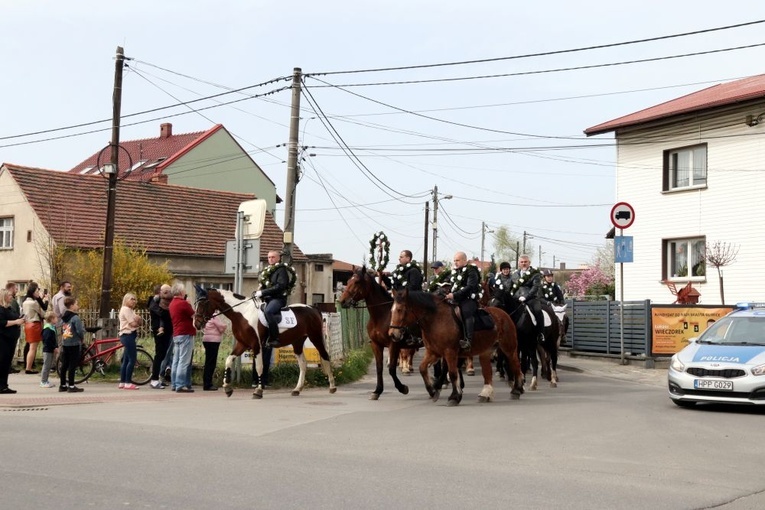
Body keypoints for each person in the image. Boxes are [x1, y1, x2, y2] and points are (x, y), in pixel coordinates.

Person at [445, 251, 481, 350]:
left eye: (457, 260)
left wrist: (454, 295)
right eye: (454, 260)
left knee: (466, 312)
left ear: (465, 260)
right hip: (455, 299)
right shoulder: (455, 271)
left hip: (468, 299)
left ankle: (468, 340)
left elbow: (470, 286)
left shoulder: (471, 271)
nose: (455, 262)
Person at [254, 250, 290, 348]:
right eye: (269, 257)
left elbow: (280, 286)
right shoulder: (268, 270)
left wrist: (263, 292)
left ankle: (275, 338)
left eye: (273, 257)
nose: (270, 259)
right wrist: (259, 291)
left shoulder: (281, 270)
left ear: (278, 258)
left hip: (278, 299)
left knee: (268, 311)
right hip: (267, 298)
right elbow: (266, 285)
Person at [510, 255, 545, 343]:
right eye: (522, 262)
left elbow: (535, 287)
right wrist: (517, 297)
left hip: (531, 298)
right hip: (517, 298)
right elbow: (511, 287)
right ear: (519, 263)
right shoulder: (514, 275)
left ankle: (541, 333)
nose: (524, 264)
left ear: (529, 263)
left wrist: (526, 297)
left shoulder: (535, 274)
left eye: (525, 262)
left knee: (538, 311)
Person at [169, 283, 196, 393]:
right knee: (184, 361)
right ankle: (180, 384)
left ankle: (174, 383)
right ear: (181, 292)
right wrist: (189, 304)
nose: (185, 292)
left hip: (177, 333)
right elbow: (194, 314)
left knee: (176, 360)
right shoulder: (183, 304)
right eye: (184, 290)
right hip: (186, 333)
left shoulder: (172, 304)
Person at [0, 288, 25, 394]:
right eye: (9, 295)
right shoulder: (1, 309)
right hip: (3, 339)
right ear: (4, 296)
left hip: (11, 338)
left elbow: (15, 318)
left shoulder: (10, 308)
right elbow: (2, 323)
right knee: (2, 362)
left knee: (7, 363)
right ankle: (1, 385)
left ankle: (4, 385)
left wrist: (21, 319)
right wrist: (15, 322)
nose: (11, 297)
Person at [149, 284, 173, 388]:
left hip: (168, 330)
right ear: (160, 292)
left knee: (164, 355)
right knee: (159, 354)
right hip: (158, 330)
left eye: (169, 291)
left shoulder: (169, 302)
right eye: (165, 291)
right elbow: (161, 313)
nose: (168, 294)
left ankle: (159, 377)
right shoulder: (154, 302)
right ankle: (154, 379)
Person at [59, 296, 85, 393]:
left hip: (66, 342)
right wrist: (82, 337)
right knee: (72, 365)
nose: (77, 306)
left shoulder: (64, 317)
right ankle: (71, 385)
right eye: (76, 304)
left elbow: (63, 328)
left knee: (65, 364)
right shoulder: (75, 317)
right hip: (74, 343)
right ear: (72, 306)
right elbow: (79, 330)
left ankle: (62, 385)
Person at [118, 293, 143, 390]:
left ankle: (122, 381)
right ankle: (128, 382)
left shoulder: (130, 310)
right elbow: (133, 324)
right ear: (126, 299)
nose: (134, 301)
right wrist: (138, 321)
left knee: (126, 360)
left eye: (135, 299)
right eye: (132, 299)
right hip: (127, 335)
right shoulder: (126, 310)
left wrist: (139, 320)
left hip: (128, 335)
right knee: (132, 359)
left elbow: (139, 322)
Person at [22, 282, 47, 374]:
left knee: (30, 347)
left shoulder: (25, 302)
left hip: (28, 324)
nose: (38, 292)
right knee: (33, 348)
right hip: (34, 324)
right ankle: (28, 368)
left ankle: (28, 367)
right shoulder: (33, 303)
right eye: (37, 291)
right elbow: (43, 313)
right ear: (32, 292)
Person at [202, 314, 226, 391]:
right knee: (211, 362)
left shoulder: (205, 316)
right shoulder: (214, 316)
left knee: (207, 361)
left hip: (206, 339)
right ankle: (208, 384)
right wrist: (225, 326)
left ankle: (206, 382)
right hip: (214, 340)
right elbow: (221, 327)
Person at [5, 283, 21, 373]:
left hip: (12, 330)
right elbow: (13, 315)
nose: (17, 290)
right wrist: (17, 320)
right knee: (8, 353)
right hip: (10, 331)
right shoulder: (12, 302)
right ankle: (8, 367)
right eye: (16, 288)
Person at [40, 311, 58, 388]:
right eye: (55, 318)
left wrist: (55, 346)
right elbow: (47, 340)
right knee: (46, 366)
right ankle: (43, 381)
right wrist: (53, 347)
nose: (57, 319)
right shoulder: (48, 329)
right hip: (47, 350)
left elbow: (54, 339)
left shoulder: (52, 327)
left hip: (50, 349)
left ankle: (46, 380)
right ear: (51, 319)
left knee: (49, 365)